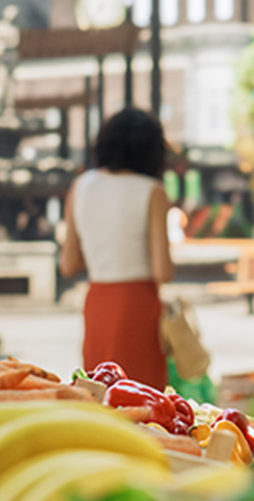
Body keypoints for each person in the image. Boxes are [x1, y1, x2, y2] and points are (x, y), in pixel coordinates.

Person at [59, 108, 175, 388]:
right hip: (139, 304)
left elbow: (68, 264)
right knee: (145, 403)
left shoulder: (81, 186)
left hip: (98, 302)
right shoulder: (152, 191)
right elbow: (163, 271)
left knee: (100, 392)